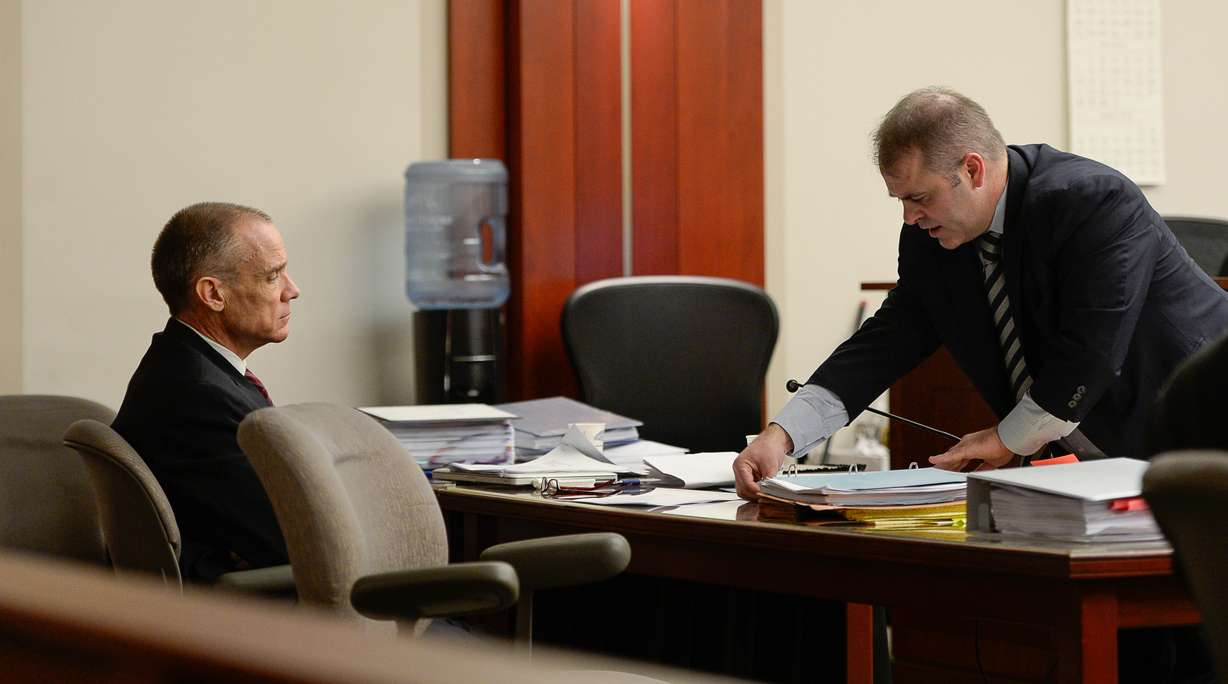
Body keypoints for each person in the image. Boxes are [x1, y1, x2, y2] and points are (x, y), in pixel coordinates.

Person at [735, 86, 1228, 498]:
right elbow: (886, 341)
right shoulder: (931, 238)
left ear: (973, 170)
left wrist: (1005, 438)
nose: (909, 217)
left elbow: (1091, 351)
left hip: (1195, 444)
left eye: (919, 198)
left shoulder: (1090, 201)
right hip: (1086, 475)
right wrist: (782, 436)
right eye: (901, 200)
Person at [113, 202, 300, 582]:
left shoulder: (184, 365)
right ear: (213, 294)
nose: (292, 291)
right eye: (272, 276)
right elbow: (297, 541)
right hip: (251, 621)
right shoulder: (198, 396)